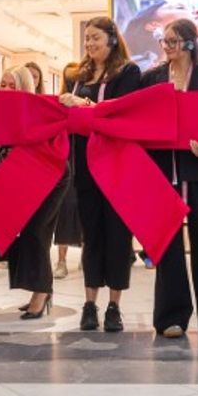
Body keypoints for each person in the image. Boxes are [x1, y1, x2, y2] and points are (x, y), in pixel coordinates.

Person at [140, 18, 198, 339]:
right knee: (167, 244)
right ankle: (171, 316)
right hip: (163, 172)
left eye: (173, 41)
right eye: (164, 41)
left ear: (190, 44)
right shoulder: (151, 78)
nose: (167, 47)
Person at [65, 16, 142, 332]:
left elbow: (122, 112)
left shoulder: (128, 72)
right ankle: (89, 304)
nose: (90, 44)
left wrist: (83, 104)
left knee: (118, 236)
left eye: (95, 37)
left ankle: (114, 306)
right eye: (87, 38)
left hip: (117, 164)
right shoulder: (80, 74)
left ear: (112, 38)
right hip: (86, 164)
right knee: (92, 234)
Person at [0, 66, 64, 318]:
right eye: (3, 84)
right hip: (25, 176)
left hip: (51, 175)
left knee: (37, 232)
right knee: (30, 233)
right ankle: (41, 289)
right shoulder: (2, 112)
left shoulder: (37, 109)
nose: (6, 89)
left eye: (12, 85)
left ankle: (42, 292)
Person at [53, 62, 81, 279]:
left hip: (84, 157)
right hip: (65, 159)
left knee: (86, 208)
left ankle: (86, 257)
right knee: (63, 209)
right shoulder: (59, 102)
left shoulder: (85, 101)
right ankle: (61, 259)